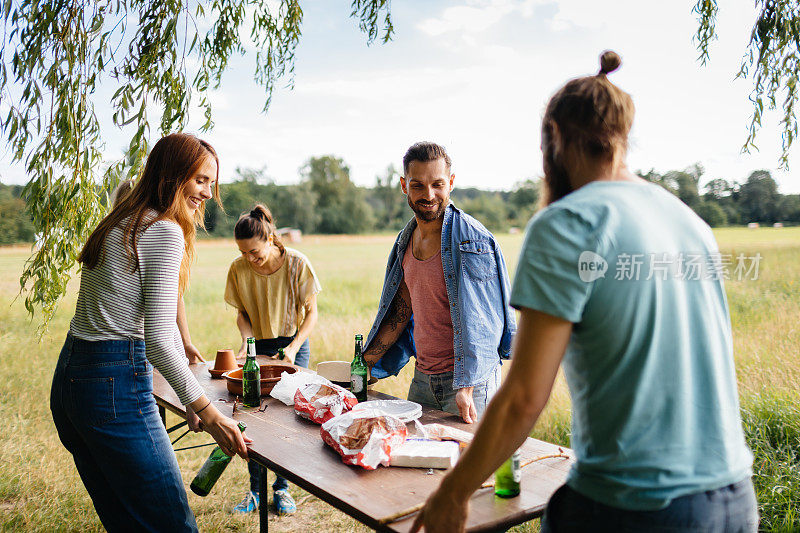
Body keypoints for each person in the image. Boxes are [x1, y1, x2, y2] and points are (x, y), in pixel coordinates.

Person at [410, 51, 757, 533]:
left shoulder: (568, 224)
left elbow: (524, 397)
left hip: (635, 504)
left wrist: (453, 492)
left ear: (554, 140)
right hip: (734, 497)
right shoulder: (687, 219)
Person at [50, 133, 251, 532]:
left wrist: (189, 400)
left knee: (127, 522)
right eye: (200, 180)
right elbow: (158, 339)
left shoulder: (120, 221)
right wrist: (209, 414)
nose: (208, 193)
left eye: (212, 183)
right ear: (172, 176)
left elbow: (156, 322)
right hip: (114, 385)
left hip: (72, 380)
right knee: (172, 526)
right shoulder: (163, 230)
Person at [363, 141, 516, 424]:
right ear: (403, 185)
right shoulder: (404, 241)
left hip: (469, 384)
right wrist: (364, 365)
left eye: (437, 184)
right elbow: (401, 309)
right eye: (417, 185)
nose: (428, 194)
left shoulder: (473, 240)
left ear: (451, 183)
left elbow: (486, 321)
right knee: (417, 462)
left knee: (469, 466)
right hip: (423, 378)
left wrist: (467, 386)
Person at [224, 204, 321, 515]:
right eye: (243, 253)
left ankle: (282, 489)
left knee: (286, 421)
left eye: (254, 251)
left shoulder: (297, 263)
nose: (249, 259)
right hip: (257, 347)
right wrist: (246, 343)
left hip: (292, 346)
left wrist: (292, 348)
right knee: (253, 418)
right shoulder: (239, 268)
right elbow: (242, 313)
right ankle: (255, 490)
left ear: (269, 237)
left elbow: (312, 314)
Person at [112, 177, 206, 366]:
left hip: (163, 343)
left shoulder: (163, 233)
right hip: (139, 346)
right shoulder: (125, 243)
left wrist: (186, 342)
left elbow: (175, 294)